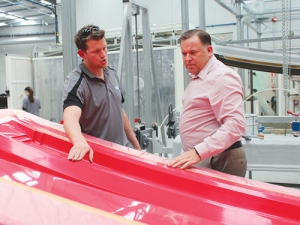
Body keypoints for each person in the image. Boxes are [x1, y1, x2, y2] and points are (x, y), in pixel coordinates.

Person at [167, 29, 247, 177]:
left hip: (221, 158)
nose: (187, 58)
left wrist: (199, 151)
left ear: (209, 50)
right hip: (205, 156)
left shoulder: (222, 77)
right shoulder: (199, 78)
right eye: (184, 54)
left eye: (193, 53)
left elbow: (236, 124)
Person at [62, 24, 141, 163]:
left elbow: (120, 111)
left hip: (123, 153)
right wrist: (79, 141)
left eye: (104, 48)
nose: (103, 55)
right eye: (96, 51)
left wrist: (135, 144)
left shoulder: (111, 74)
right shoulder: (76, 81)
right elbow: (70, 115)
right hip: (101, 158)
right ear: (82, 54)